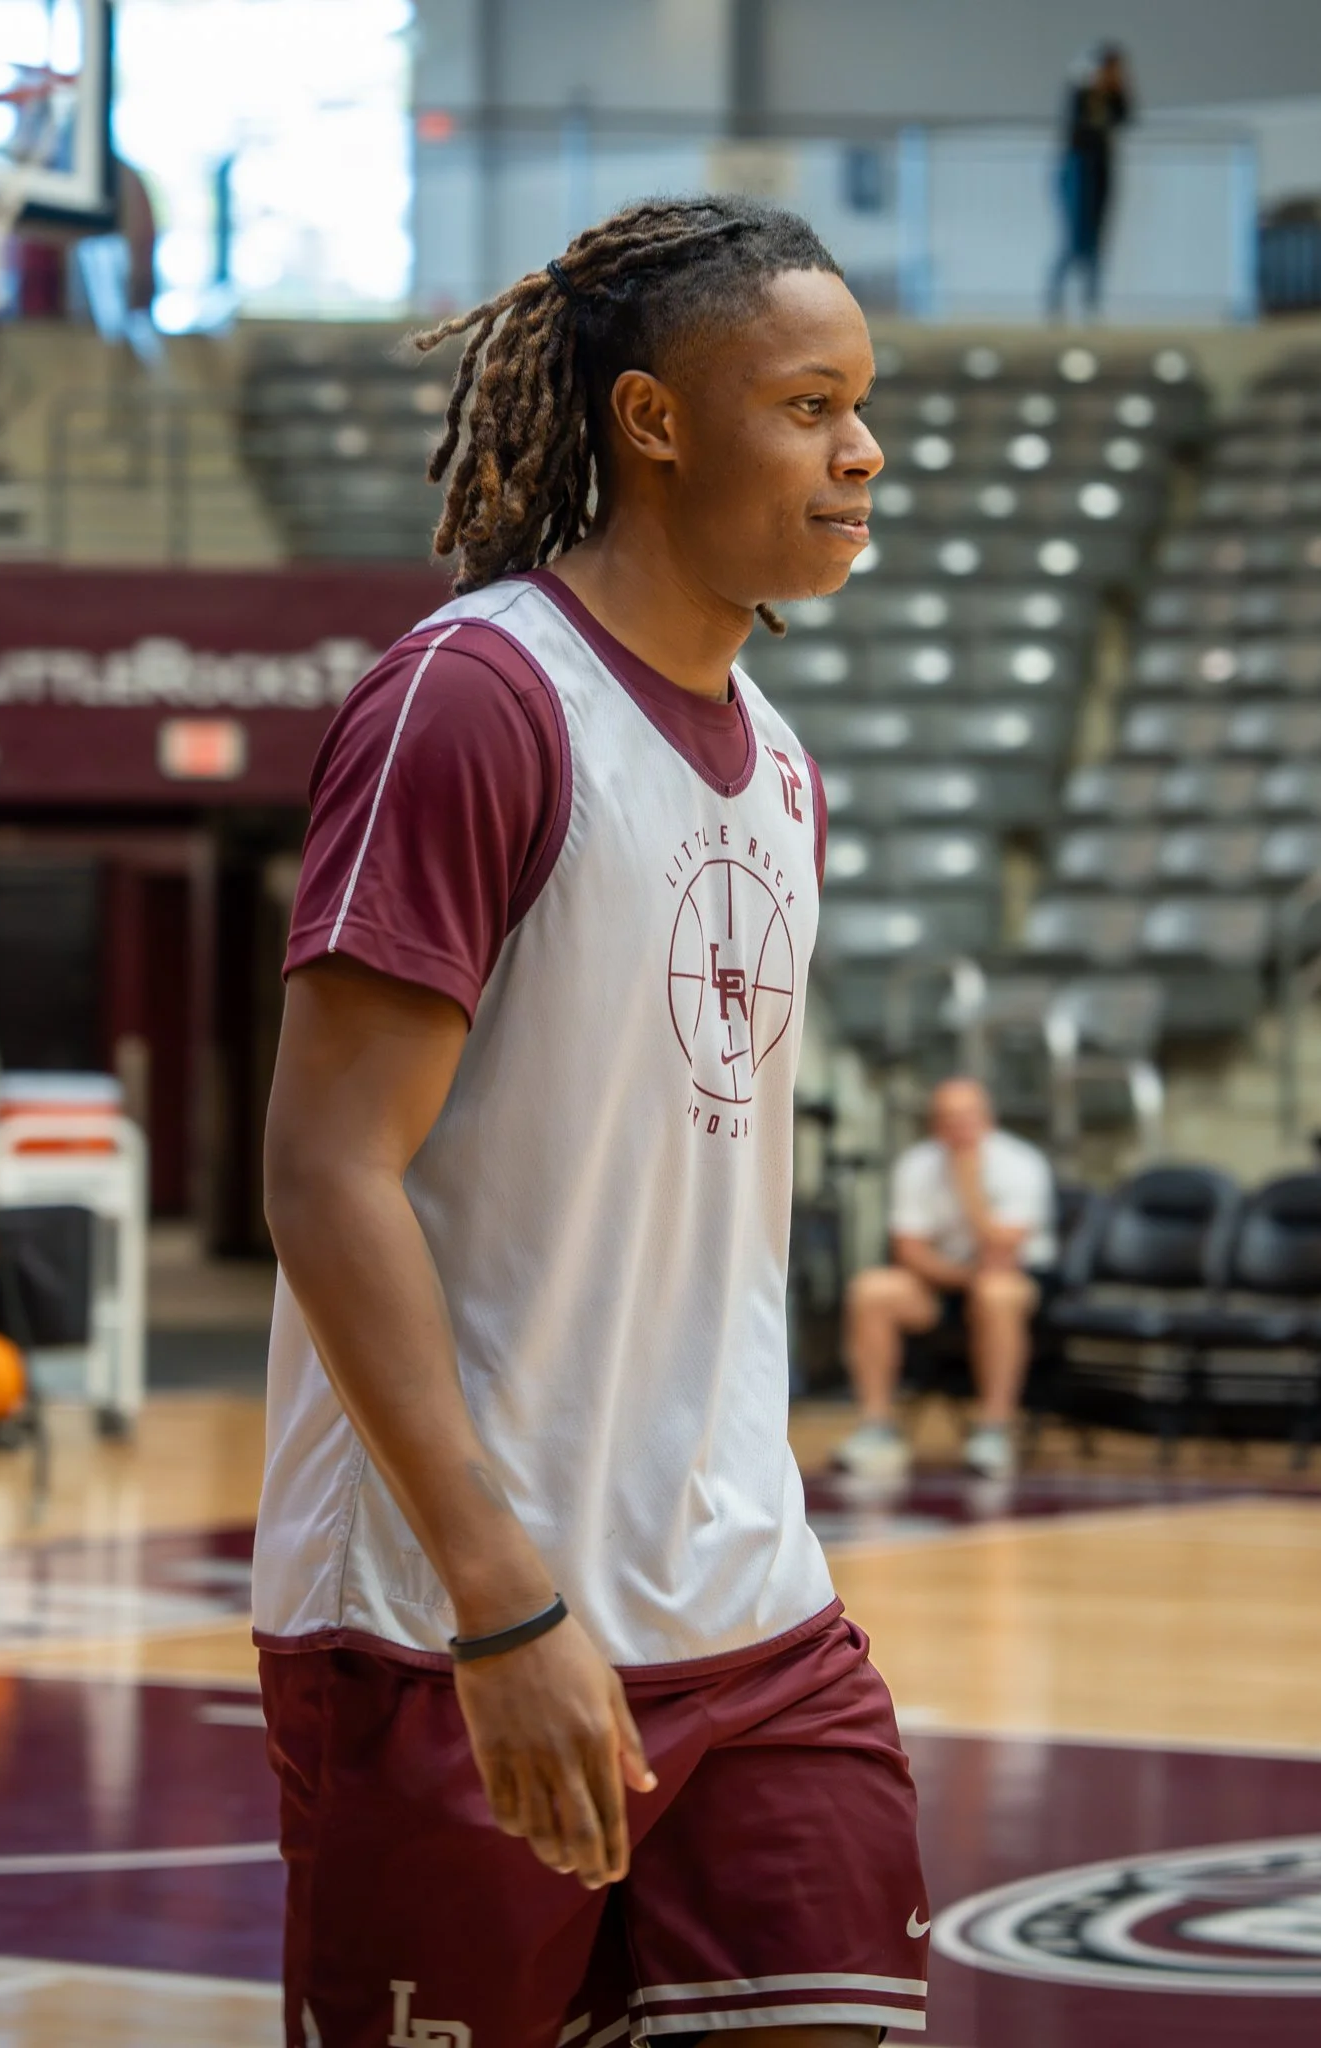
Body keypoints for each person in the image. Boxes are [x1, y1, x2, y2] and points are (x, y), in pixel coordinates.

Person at [255, 195, 929, 2048]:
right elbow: (324, 1169)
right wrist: (500, 1599)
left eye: (863, 406)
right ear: (654, 422)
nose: (863, 449)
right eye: (810, 405)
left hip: (752, 1609)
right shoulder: (473, 703)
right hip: (451, 1617)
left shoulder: (782, 767)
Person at [835, 1078, 1057, 1483]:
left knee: (996, 1294)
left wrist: (968, 1186)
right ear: (933, 1124)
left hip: (1012, 1280)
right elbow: (908, 1250)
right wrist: (961, 1278)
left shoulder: (1022, 1164)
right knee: (872, 1290)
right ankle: (877, 1427)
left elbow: (1002, 1253)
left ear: (988, 1119)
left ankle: (994, 1429)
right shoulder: (915, 1165)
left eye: (966, 1116)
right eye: (947, 1118)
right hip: (943, 1278)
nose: (957, 1127)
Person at [1048, 41, 1133, 321]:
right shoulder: (1081, 92)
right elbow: (1077, 125)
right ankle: (1056, 300)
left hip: (1102, 166)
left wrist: (1118, 89)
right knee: (1075, 238)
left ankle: (1091, 302)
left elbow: (1126, 117)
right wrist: (1090, 87)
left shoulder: (1113, 96)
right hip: (1078, 165)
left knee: (1097, 238)